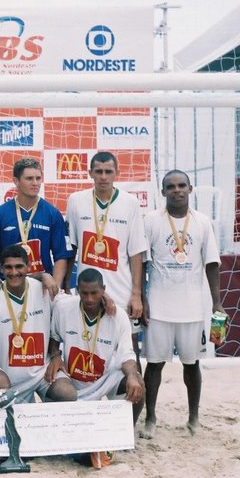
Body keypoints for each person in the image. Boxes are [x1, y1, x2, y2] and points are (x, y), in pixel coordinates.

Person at [0, 244, 77, 467]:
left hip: (40, 373)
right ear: (1, 269)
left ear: (28, 267)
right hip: (8, 374)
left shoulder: (43, 288)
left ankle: (49, 435)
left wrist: (56, 354)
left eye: (19, 266)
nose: (14, 272)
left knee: (68, 393)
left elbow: (75, 307)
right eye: (8, 268)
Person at [140, 169, 223, 439]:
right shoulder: (151, 221)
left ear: (190, 189)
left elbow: (211, 263)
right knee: (154, 364)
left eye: (181, 185)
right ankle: (151, 418)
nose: (177, 190)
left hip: (192, 308)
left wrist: (217, 303)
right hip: (159, 307)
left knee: (192, 364)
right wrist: (141, 297)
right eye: (171, 186)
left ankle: (193, 418)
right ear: (162, 191)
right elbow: (141, 263)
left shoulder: (202, 222)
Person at [48, 268, 144, 468]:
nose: (89, 298)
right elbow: (53, 336)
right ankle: (69, 434)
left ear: (104, 290)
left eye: (94, 293)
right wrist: (56, 354)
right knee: (60, 390)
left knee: (137, 384)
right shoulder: (64, 306)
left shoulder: (118, 316)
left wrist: (133, 376)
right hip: (71, 378)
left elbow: (127, 355)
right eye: (84, 293)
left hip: (102, 380)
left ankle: (123, 436)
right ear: (77, 291)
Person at [65, 150, 148, 365]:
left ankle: (137, 399)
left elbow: (136, 252)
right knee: (86, 346)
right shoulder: (76, 200)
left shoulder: (131, 203)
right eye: (99, 171)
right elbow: (71, 249)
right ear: (90, 172)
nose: (103, 176)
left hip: (121, 289)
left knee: (129, 350)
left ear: (117, 173)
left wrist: (137, 294)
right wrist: (66, 287)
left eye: (108, 172)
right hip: (87, 292)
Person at [0, 157, 71, 292]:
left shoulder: (52, 214)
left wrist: (56, 288)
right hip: (7, 286)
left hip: (41, 287)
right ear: (16, 181)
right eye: (29, 178)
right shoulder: (0, 214)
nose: (35, 183)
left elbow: (61, 256)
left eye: (38, 178)